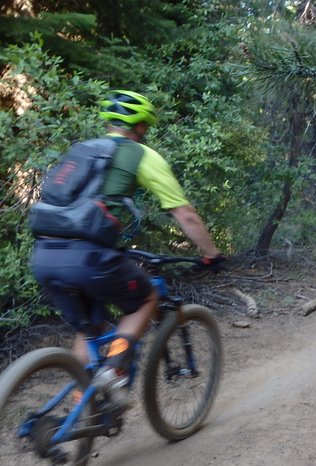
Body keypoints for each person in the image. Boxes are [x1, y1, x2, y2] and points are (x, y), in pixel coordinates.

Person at [31, 90, 225, 412]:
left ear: (109, 121)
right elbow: (185, 214)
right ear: (142, 126)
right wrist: (211, 253)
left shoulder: (80, 151)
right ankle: (113, 370)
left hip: (44, 254)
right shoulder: (141, 155)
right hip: (88, 257)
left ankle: (85, 410)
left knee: (88, 329)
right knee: (145, 299)